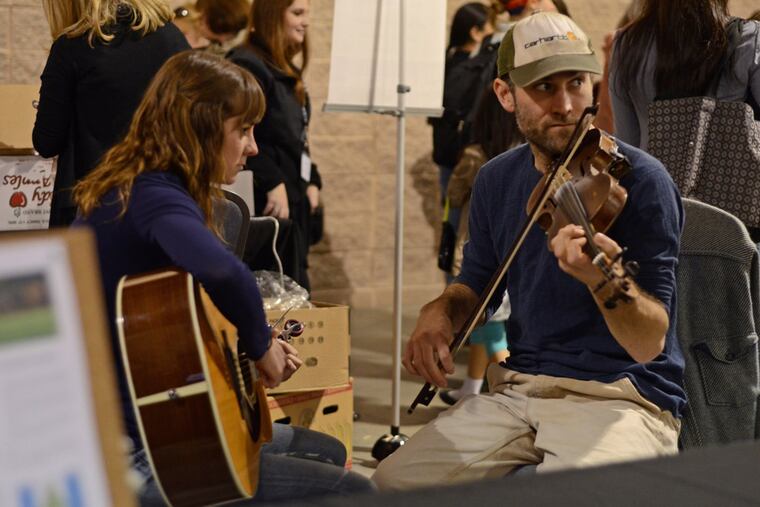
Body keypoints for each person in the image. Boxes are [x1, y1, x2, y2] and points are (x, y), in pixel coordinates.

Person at [373, 11, 685, 489]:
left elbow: (647, 343)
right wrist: (440, 312)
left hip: (621, 396)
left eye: (577, 83)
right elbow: (477, 283)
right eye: (543, 88)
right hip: (519, 389)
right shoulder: (497, 179)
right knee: (389, 485)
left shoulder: (641, 180)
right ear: (505, 94)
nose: (565, 104)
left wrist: (600, 278)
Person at [72, 51, 374, 504]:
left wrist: (242, 351)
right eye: (244, 131)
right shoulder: (154, 195)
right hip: (143, 454)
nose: (253, 148)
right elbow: (224, 271)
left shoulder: (135, 182)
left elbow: (176, 323)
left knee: (327, 450)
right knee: (355, 490)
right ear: (202, 127)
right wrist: (263, 347)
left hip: (157, 423)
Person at [33, 0, 190, 228]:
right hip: (165, 199)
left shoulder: (73, 45)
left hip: (94, 204)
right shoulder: (174, 38)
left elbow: (47, 142)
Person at [438, 74, 522, 405]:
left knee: (489, 324)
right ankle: (473, 387)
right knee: (489, 323)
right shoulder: (523, 154)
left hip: (478, 247)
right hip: (511, 247)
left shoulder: (476, 155)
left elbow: (454, 195)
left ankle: (506, 386)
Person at [227, 0, 320, 292]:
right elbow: (240, 130)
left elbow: (296, 137)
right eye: (297, 13)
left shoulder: (281, 67)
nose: (305, 22)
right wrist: (272, 180)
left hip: (293, 198)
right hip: (264, 202)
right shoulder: (247, 64)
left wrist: (313, 179)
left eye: (306, 13)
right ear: (271, 16)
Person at [609, 0, 760, 150]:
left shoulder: (627, 44)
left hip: (653, 172)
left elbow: (627, 146)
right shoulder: (749, 39)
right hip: (729, 171)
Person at [432, 3, 493, 277]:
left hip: (451, 162)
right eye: (489, 26)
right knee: (460, 232)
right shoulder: (468, 67)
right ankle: (457, 300)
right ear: (476, 31)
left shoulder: (447, 61)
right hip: (464, 163)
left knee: (453, 228)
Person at [173, 0, 249, 52]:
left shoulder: (218, 51)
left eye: (236, 32)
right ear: (205, 17)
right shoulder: (174, 29)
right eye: (222, 29)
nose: (223, 40)